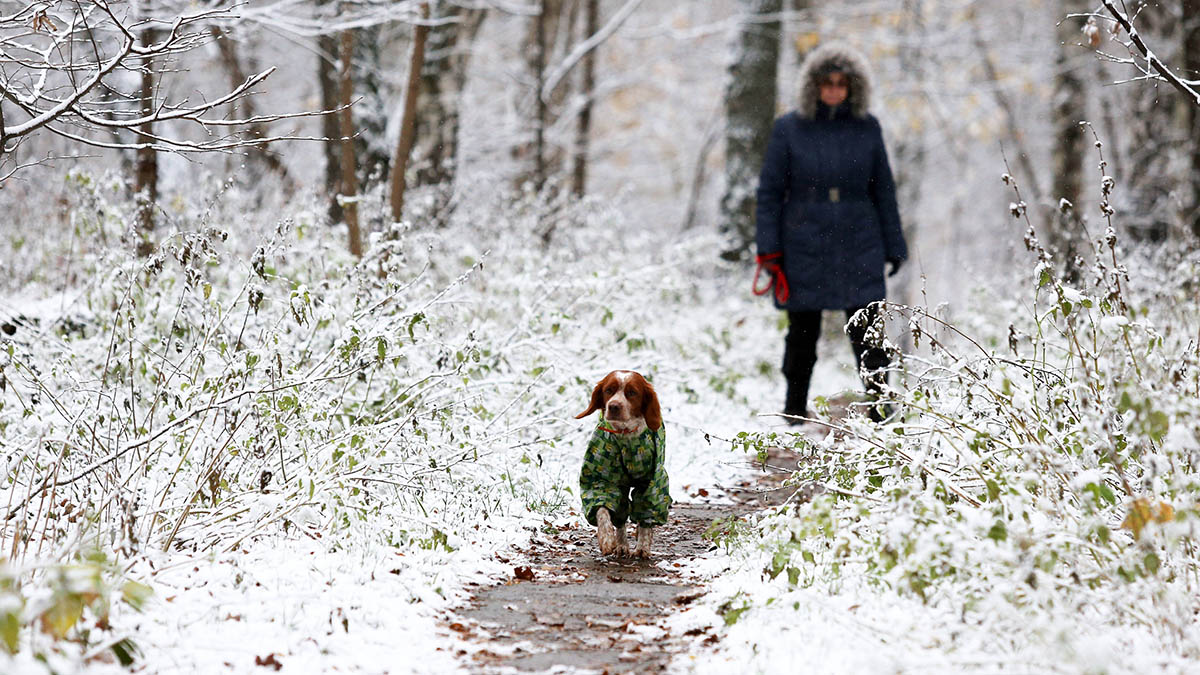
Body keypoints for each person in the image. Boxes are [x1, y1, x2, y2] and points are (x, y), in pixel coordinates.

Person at [752, 42, 908, 423]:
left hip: (860, 237)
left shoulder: (867, 127)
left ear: (853, 86)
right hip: (804, 239)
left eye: (842, 83)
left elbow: (883, 190)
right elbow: (770, 192)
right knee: (802, 333)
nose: (835, 89)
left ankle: (880, 409)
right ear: (815, 85)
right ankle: (794, 409)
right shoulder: (789, 129)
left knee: (868, 330)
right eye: (828, 82)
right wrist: (769, 249)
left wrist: (893, 245)